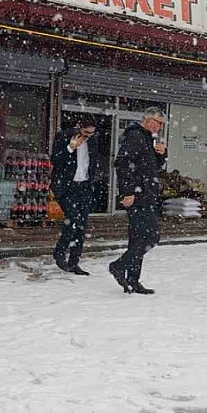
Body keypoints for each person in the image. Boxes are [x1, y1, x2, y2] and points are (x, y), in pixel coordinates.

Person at [108, 108, 167, 295]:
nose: (160, 127)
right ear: (148, 121)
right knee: (151, 236)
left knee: (138, 239)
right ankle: (118, 266)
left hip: (147, 194)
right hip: (138, 196)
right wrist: (128, 191)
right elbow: (122, 163)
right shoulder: (135, 137)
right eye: (158, 123)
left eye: (162, 124)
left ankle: (133, 280)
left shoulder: (148, 138)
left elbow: (151, 167)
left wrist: (161, 155)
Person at [50, 116, 97, 275]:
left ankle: (74, 262)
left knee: (81, 226)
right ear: (78, 127)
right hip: (66, 187)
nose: (87, 136)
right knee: (73, 219)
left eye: (91, 133)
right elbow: (55, 160)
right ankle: (59, 252)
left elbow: (92, 163)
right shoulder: (63, 136)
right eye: (85, 132)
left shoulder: (92, 141)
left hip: (83, 186)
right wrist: (70, 147)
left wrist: (90, 183)